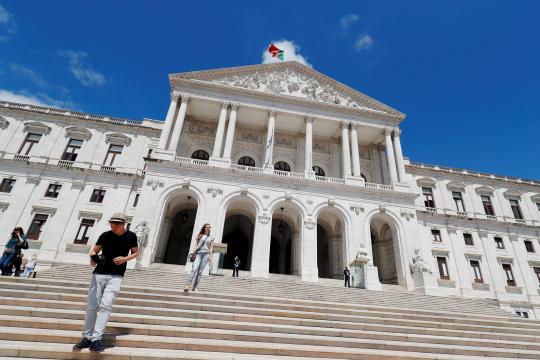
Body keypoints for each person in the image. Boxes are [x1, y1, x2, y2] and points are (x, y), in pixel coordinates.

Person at [73, 213, 138, 353]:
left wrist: (125, 258)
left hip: (116, 276)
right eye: (112, 223)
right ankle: (87, 337)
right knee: (92, 306)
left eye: (117, 223)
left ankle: (96, 339)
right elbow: (94, 250)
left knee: (106, 305)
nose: (114, 226)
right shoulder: (105, 235)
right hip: (99, 273)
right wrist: (92, 258)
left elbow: (135, 252)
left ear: (124, 224)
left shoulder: (131, 236)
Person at [184, 223, 214, 292]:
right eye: (207, 227)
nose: (208, 228)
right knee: (194, 269)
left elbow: (211, 247)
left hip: (206, 254)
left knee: (200, 272)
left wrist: (210, 256)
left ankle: (195, 287)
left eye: (209, 227)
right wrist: (192, 252)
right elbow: (196, 245)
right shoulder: (200, 236)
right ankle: (187, 285)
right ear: (204, 228)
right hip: (198, 254)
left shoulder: (211, 237)